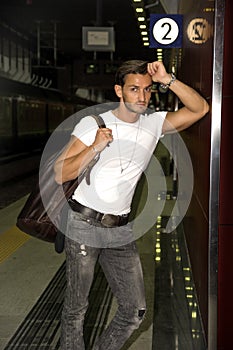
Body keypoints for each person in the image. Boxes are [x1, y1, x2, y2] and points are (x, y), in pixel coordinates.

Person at [54, 60, 209, 350]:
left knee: (134, 311)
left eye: (147, 90)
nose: (142, 96)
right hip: (84, 224)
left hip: (120, 230)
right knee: (76, 309)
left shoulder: (154, 123)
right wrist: (94, 148)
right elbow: (61, 172)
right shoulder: (93, 123)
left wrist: (169, 79)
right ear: (119, 91)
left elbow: (200, 109)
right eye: (134, 89)